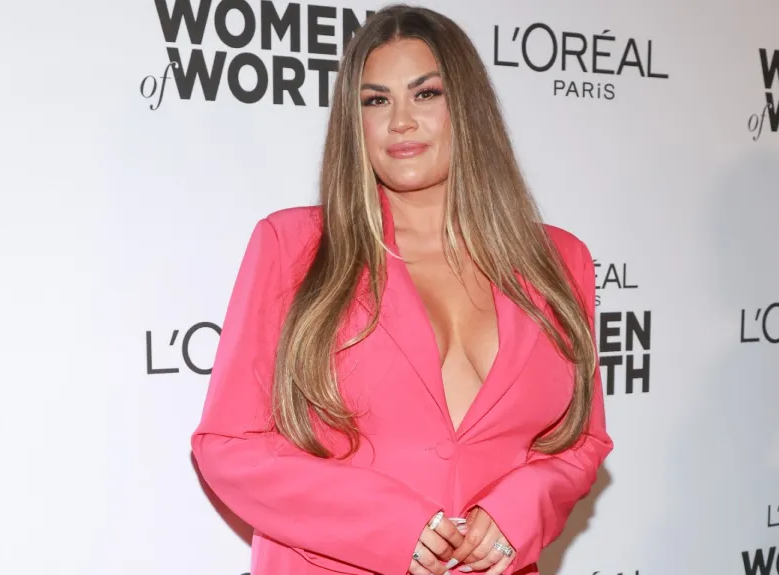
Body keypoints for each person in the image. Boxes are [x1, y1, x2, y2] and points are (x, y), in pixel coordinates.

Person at [190, 4, 613, 575]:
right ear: (354, 120)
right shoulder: (294, 246)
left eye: (426, 94)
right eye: (376, 100)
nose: (401, 122)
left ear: (467, 107)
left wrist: (521, 509)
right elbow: (228, 444)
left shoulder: (559, 261)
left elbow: (582, 441)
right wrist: (391, 526)